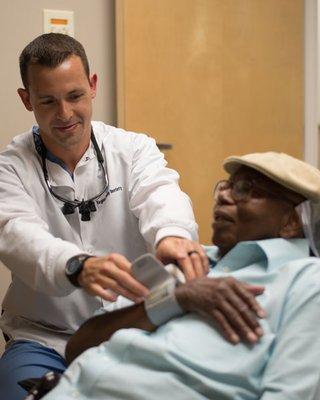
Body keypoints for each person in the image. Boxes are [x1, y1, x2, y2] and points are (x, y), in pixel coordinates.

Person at [0, 32, 215, 399]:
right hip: (44, 337)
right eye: (48, 101)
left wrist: (172, 235)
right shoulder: (11, 167)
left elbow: (160, 194)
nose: (65, 114)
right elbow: (17, 234)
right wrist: (77, 266)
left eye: (75, 96)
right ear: (26, 99)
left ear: (93, 85)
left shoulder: (133, 149)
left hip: (130, 328)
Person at [40, 152, 320, 400]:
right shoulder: (189, 262)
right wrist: (174, 299)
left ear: (292, 222)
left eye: (246, 189)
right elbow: (78, 347)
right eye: (226, 186)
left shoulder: (306, 283)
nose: (223, 196)